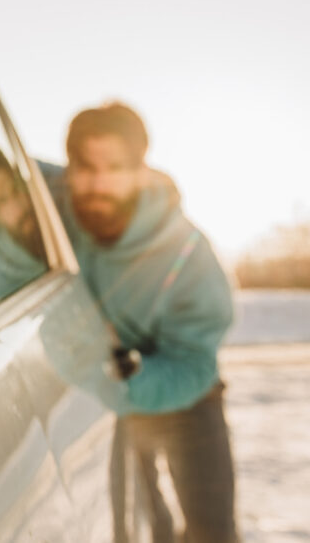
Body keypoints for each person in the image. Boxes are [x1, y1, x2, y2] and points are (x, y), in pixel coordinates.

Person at [39, 103, 238, 543]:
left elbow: (196, 362)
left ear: (140, 170)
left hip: (185, 392)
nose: (99, 183)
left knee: (212, 529)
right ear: (69, 169)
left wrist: (126, 389)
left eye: (116, 167)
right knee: (140, 520)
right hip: (111, 377)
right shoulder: (49, 205)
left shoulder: (186, 251)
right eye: (86, 167)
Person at [0, 144, 47, 300]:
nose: (18, 206)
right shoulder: (1, 296)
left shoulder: (66, 233)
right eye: (3, 200)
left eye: (17, 188)